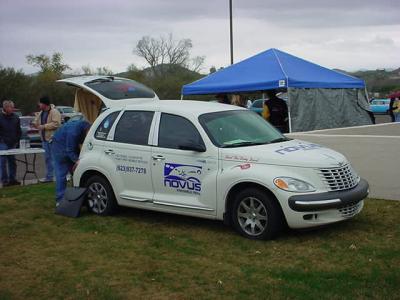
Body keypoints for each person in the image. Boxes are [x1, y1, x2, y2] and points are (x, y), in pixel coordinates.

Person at [51, 119, 91, 204]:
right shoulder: (74, 131)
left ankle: (78, 197)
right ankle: (60, 200)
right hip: (58, 146)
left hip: (68, 144)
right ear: (87, 130)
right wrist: (77, 160)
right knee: (61, 174)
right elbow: (69, 150)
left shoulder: (86, 127)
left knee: (76, 172)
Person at [33, 96, 61, 182]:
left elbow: (56, 124)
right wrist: (35, 123)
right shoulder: (41, 112)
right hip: (44, 140)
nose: (39, 104)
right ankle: (49, 177)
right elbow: (37, 123)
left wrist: (44, 126)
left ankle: (59, 177)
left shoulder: (54, 112)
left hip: (53, 140)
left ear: (44, 104)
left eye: (40, 103)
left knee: (55, 159)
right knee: (47, 159)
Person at [0, 100, 22, 186]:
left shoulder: (16, 117)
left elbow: (18, 131)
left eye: (13, 107)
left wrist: (17, 140)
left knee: (12, 162)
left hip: (13, 143)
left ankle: (12, 179)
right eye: (11, 107)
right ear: (5, 108)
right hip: (2, 143)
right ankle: (4, 181)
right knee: (2, 162)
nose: (13, 109)